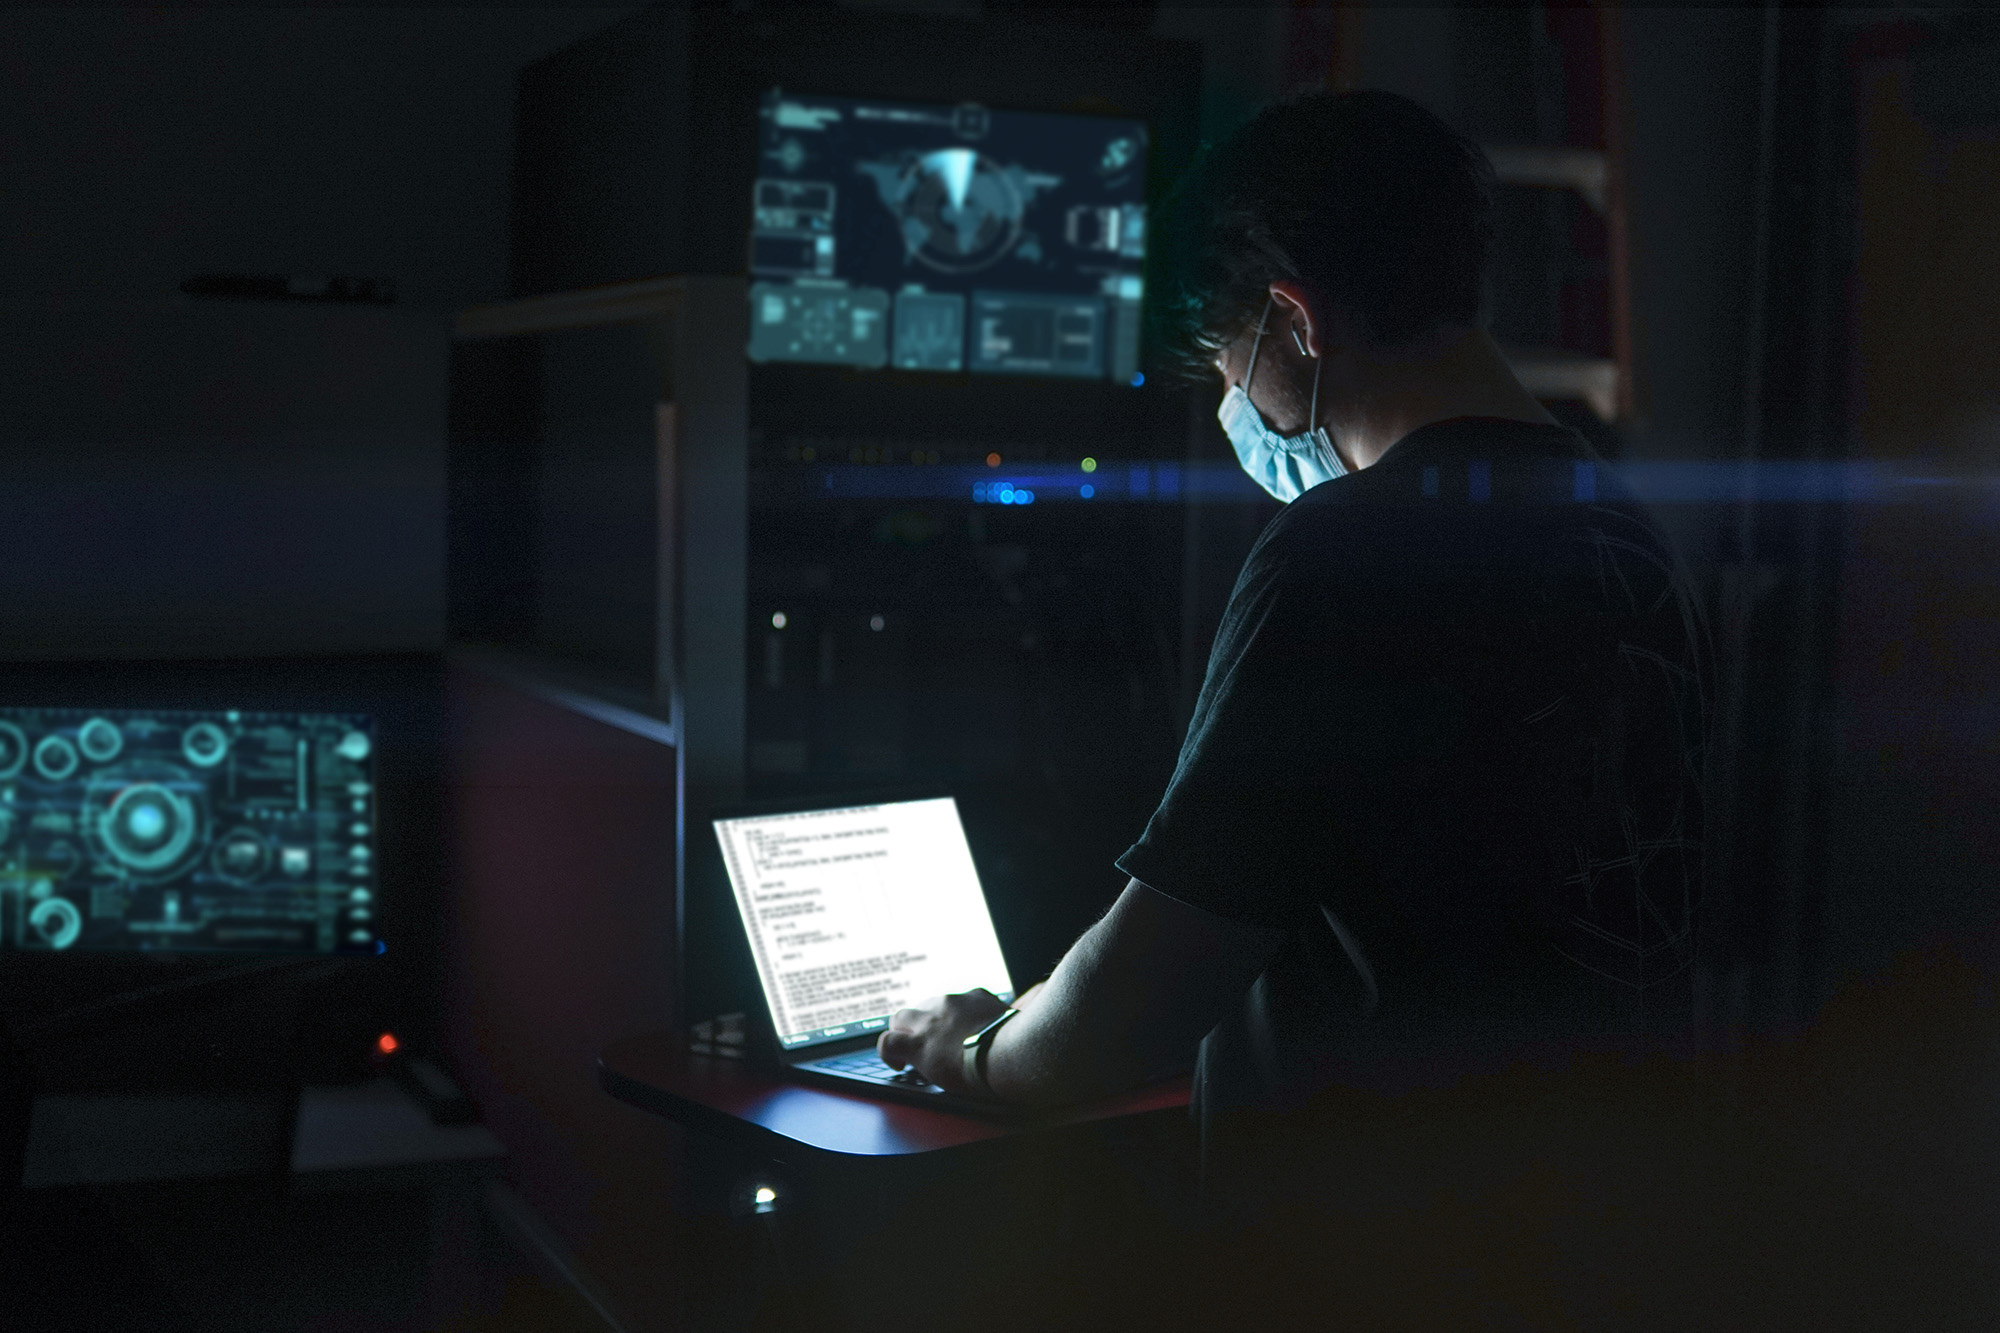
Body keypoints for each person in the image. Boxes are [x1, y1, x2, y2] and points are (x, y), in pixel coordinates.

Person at [878, 90, 1710, 1325]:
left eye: (1228, 366)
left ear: (1290, 321)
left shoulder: (1340, 550)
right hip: (1593, 1240)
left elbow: (1137, 1004)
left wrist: (972, 1046)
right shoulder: (1628, 533)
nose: (1237, 411)